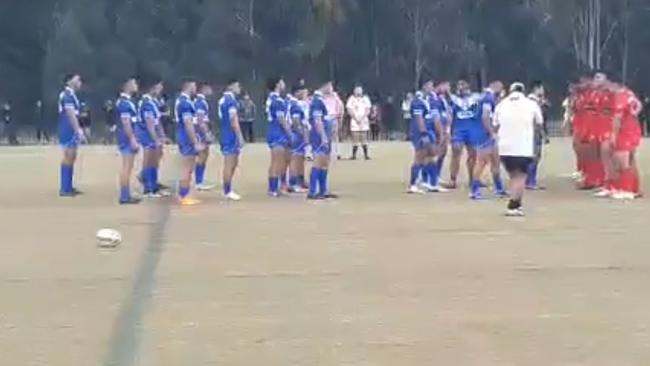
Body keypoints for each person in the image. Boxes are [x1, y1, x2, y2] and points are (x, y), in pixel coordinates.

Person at [493, 82, 544, 216]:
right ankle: (514, 205)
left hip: (504, 147)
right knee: (520, 177)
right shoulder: (531, 104)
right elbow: (539, 122)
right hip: (523, 146)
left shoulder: (501, 104)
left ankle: (516, 202)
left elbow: (495, 125)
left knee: (513, 176)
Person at [470, 80, 507, 199]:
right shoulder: (487, 99)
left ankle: (499, 188)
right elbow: (485, 117)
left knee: (495, 160)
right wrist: (491, 132)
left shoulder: (486, 98)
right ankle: (474, 190)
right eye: (500, 88)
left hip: (487, 133)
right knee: (482, 162)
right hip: (484, 134)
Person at [447, 79, 481, 191]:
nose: (461, 88)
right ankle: (452, 179)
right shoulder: (453, 99)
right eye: (459, 85)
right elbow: (450, 115)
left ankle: (473, 179)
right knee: (456, 152)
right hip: (459, 130)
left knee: (473, 154)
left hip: (472, 129)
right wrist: (448, 131)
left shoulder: (475, 98)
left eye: (463, 85)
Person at [136, 76, 167, 198]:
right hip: (147, 135)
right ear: (153, 87)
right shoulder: (147, 103)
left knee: (154, 159)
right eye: (159, 86)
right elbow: (150, 124)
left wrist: (162, 136)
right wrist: (156, 139)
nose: (161, 88)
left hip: (150, 135)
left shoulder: (153, 102)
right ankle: (148, 188)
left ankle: (152, 184)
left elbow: (157, 121)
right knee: (150, 160)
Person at [175, 78, 203, 206]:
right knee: (187, 167)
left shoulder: (182, 101)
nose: (195, 87)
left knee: (188, 167)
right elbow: (188, 123)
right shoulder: (185, 103)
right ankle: (183, 195)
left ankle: (184, 193)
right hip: (186, 137)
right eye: (194, 84)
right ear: (188, 85)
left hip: (183, 136)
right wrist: (195, 141)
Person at [57, 74, 86, 197]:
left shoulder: (72, 96)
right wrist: (77, 129)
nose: (80, 82)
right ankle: (64, 188)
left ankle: (68, 185)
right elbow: (70, 114)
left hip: (70, 129)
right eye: (77, 79)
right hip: (67, 129)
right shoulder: (67, 95)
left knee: (72, 156)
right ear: (69, 81)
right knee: (68, 155)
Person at [115, 76, 141, 205]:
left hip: (126, 137)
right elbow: (126, 123)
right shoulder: (124, 103)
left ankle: (125, 194)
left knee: (128, 166)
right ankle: (124, 196)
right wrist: (132, 139)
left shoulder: (127, 102)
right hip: (126, 138)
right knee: (127, 166)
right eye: (134, 83)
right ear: (127, 85)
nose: (136, 85)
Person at [308, 80, 336, 199]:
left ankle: (323, 190)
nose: (332, 88)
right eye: (331, 86)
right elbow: (317, 120)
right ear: (325, 85)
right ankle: (313, 191)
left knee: (324, 163)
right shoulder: (317, 101)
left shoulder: (322, 100)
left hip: (325, 135)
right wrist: (323, 136)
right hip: (319, 136)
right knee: (318, 161)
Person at [218, 79, 245, 201]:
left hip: (225, 133)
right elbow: (233, 120)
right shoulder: (230, 101)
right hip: (230, 134)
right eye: (238, 85)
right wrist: (239, 135)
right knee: (230, 162)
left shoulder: (223, 99)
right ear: (231, 86)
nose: (239, 88)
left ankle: (227, 189)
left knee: (232, 162)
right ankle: (227, 191)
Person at [265, 77, 291, 197]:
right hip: (277, 133)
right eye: (282, 81)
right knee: (277, 161)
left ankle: (274, 187)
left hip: (273, 131)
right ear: (277, 84)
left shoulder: (272, 98)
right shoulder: (277, 100)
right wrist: (289, 133)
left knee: (277, 161)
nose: (284, 83)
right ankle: (273, 188)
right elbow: (281, 119)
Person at [526, 81, 550, 190]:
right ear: (537, 89)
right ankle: (530, 181)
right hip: (533, 131)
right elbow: (538, 120)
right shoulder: (532, 102)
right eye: (541, 88)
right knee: (534, 156)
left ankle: (530, 180)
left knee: (534, 156)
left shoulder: (538, 101)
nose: (543, 91)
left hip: (534, 131)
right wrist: (543, 134)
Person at [287, 84, 310, 193]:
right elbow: (296, 122)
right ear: (297, 92)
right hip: (296, 134)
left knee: (300, 157)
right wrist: (302, 134)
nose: (305, 94)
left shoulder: (297, 104)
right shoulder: (294, 105)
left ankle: (300, 180)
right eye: (303, 92)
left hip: (299, 134)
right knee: (295, 158)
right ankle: (293, 183)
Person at [194, 83, 216, 191]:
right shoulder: (200, 102)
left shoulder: (201, 101)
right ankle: (198, 182)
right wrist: (207, 133)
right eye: (209, 87)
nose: (211, 90)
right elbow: (200, 120)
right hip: (199, 131)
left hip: (200, 130)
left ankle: (199, 180)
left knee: (204, 155)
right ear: (204, 89)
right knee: (202, 155)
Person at [346, 84, 372, 160]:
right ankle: (354, 155)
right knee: (355, 137)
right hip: (354, 120)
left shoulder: (366, 98)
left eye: (359, 90)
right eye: (357, 90)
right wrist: (355, 118)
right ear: (354, 91)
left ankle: (366, 155)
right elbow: (349, 109)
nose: (358, 91)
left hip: (363, 120)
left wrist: (362, 118)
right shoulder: (351, 99)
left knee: (364, 137)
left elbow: (368, 109)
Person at [322, 82, 344, 160]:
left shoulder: (335, 97)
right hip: (323, 119)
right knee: (325, 136)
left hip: (333, 118)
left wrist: (339, 116)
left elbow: (340, 107)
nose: (329, 88)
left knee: (334, 136)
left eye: (330, 86)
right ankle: (325, 152)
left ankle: (335, 152)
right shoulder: (321, 97)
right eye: (327, 86)